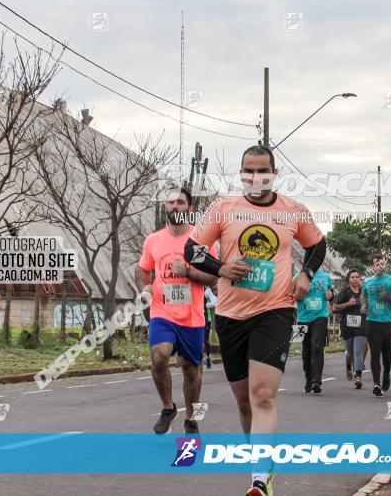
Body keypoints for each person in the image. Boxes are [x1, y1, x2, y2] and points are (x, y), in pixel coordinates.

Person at [183, 145, 325, 496]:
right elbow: (191, 250)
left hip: (275, 311)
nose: (255, 176)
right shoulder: (223, 209)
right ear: (241, 173)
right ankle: (260, 465)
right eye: (248, 170)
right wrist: (221, 268)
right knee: (244, 401)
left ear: (274, 173)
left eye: (262, 170)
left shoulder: (292, 211)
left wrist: (305, 274)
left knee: (262, 394)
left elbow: (317, 245)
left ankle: (259, 479)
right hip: (230, 315)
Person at [136, 187, 218, 435]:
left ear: (189, 209)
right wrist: (145, 288)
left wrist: (189, 272)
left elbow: (214, 276)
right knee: (159, 357)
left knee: (191, 369)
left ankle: (191, 419)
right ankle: (168, 407)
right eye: (170, 202)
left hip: (192, 315)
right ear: (166, 208)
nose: (174, 206)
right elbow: (143, 269)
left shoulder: (200, 240)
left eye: (180, 202)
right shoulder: (153, 240)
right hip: (162, 311)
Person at [361, 254, 391, 397]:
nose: (380, 265)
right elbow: (363, 295)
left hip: (388, 322)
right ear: (372, 266)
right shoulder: (368, 281)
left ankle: (386, 374)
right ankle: (376, 384)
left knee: (386, 354)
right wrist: (363, 305)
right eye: (377, 264)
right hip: (372, 322)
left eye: (382, 263)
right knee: (374, 353)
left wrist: (388, 298)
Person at [297, 268, 333, 394]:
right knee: (306, 349)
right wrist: (297, 295)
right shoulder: (298, 276)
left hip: (321, 316)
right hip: (302, 317)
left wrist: (330, 295)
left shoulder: (325, 276)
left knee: (317, 346)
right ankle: (308, 377)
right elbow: (291, 295)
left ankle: (316, 381)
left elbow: (331, 293)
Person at [332, 269, 367, 389]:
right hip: (347, 325)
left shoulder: (364, 292)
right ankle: (348, 366)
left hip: (362, 325)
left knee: (358, 351)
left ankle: (358, 376)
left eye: (357, 277)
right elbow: (334, 309)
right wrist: (347, 304)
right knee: (350, 353)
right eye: (352, 277)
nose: (355, 279)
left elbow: (370, 307)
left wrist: (365, 308)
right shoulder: (344, 292)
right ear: (348, 279)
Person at [204, 286, 218, 369]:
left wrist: (205, 305)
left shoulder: (207, 290)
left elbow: (215, 302)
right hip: (195, 317)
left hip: (206, 318)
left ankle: (208, 357)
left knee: (205, 340)